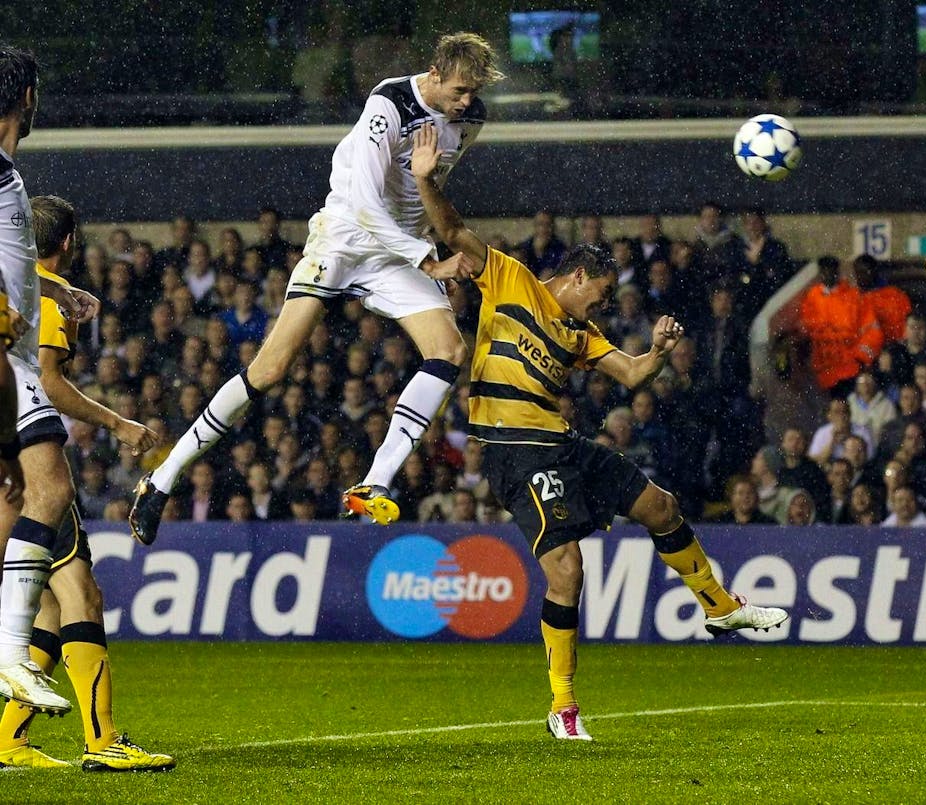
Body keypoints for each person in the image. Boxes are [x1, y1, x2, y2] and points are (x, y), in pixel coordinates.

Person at [410, 124, 787, 741]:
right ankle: (562, 706)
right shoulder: (509, 279)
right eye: (603, 295)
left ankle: (720, 609)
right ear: (579, 277)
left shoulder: (581, 335)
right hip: (512, 447)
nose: (604, 308)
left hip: (560, 444)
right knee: (566, 569)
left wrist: (661, 352)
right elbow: (451, 231)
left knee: (661, 508)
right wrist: (426, 178)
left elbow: (634, 373)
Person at [130, 32, 505, 542]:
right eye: (459, 90)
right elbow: (368, 204)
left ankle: (374, 482)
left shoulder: (471, 118)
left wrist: (426, 223)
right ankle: (163, 479)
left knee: (448, 350)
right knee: (271, 367)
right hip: (345, 239)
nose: (467, 101)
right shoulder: (389, 102)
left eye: (473, 92)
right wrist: (427, 259)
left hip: (396, 252)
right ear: (435, 74)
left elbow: (424, 192)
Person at [0, 194, 173, 770]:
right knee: (81, 596)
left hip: (13, 452)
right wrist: (117, 422)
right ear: (69, 242)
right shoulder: (39, 297)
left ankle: (10, 739)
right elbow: (46, 382)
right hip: (29, 453)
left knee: (50, 609)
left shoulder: (22, 281)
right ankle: (103, 742)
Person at [0, 45, 102, 713]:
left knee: (19, 493)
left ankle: (10, 658)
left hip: (9, 353)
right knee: (49, 485)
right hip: (7, 360)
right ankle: (11, 654)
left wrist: (51, 290)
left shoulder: (7, 176)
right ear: (26, 98)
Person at [798, 255, 882, 395]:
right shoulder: (812, 297)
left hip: (848, 369)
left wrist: (861, 356)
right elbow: (806, 329)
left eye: (830, 271)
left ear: (837, 272)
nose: (827, 274)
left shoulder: (853, 297)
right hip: (821, 370)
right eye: (823, 271)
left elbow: (872, 330)